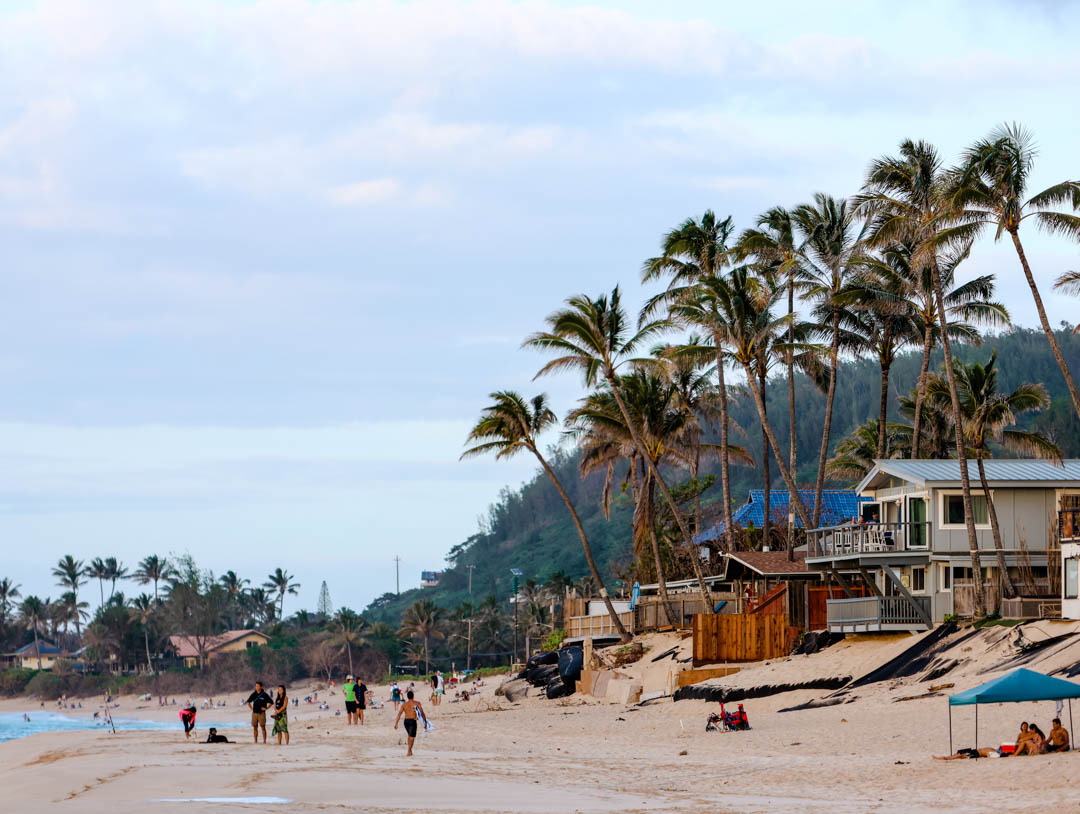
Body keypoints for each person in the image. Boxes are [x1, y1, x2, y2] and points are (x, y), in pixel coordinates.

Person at [394, 689, 428, 757]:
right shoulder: (417, 703)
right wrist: (425, 721)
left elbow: (399, 714)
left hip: (406, 721)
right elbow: (422, 712)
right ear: (413, 696)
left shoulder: (404, 705)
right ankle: (409, 751)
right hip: (412, 721)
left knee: (410, 736)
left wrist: (396, 723)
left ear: (407, 697)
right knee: (412, 737)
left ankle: (410, 751)